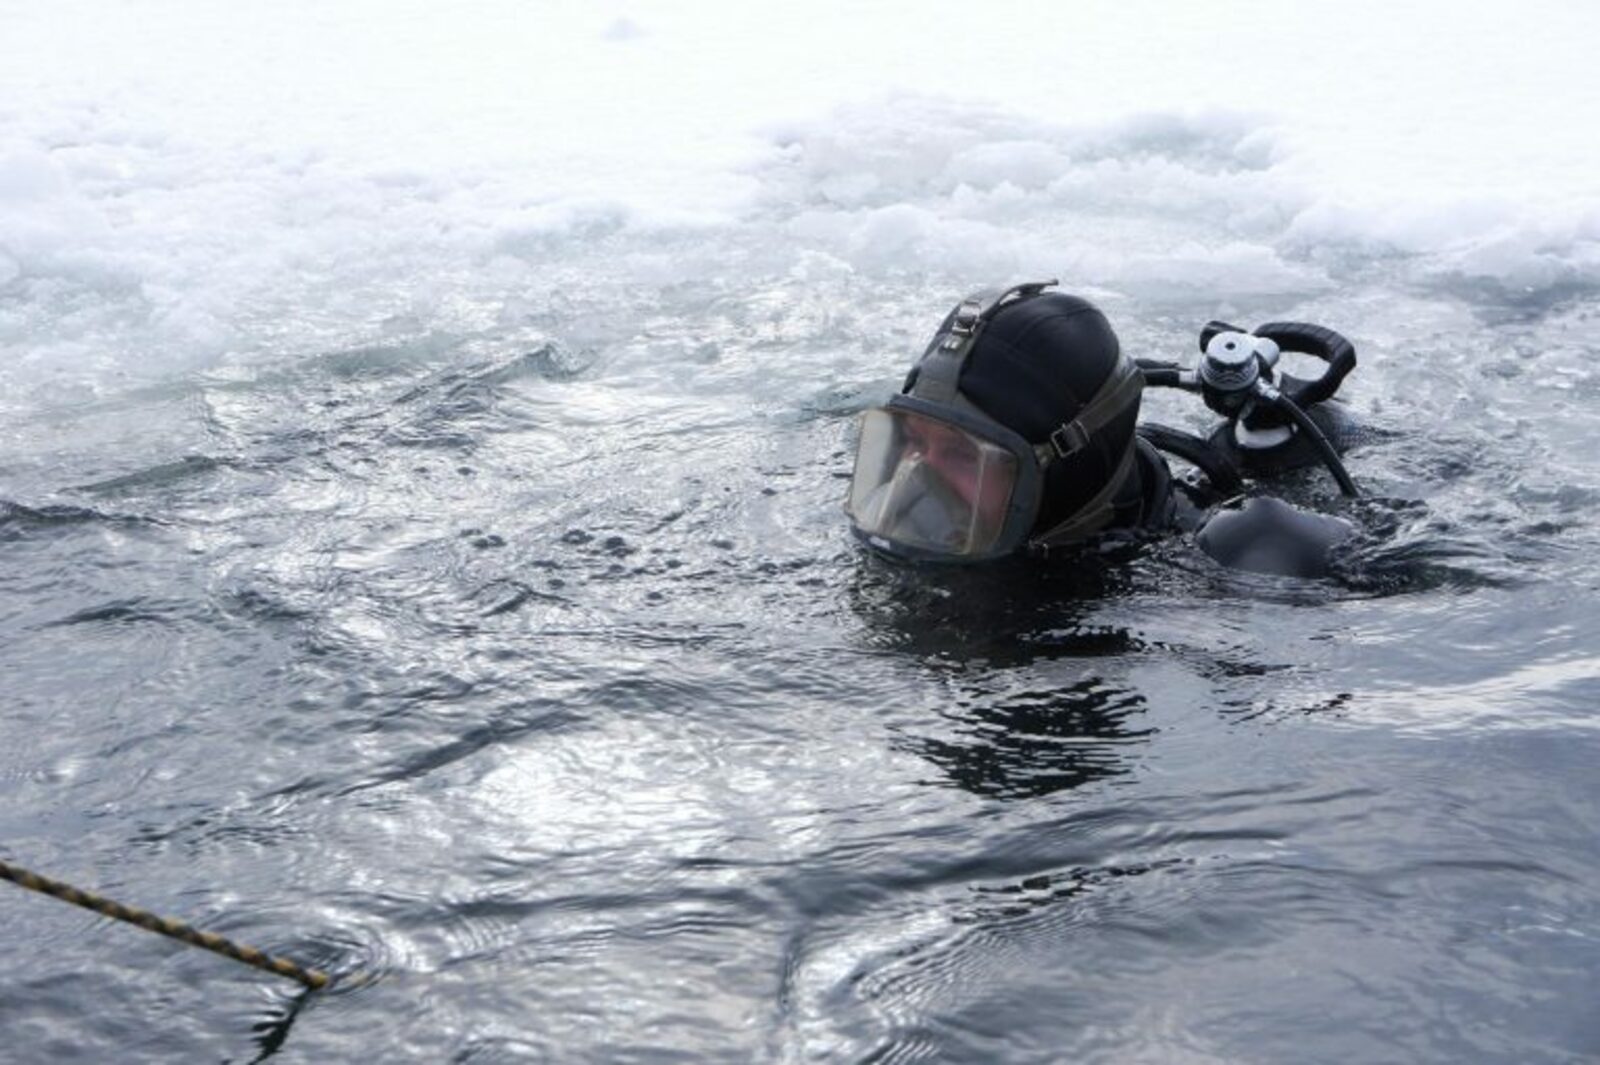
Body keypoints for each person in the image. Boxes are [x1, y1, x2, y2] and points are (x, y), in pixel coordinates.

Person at [844, 281, 1358, 578]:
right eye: (913, 439)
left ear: (1057, 474)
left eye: (963, 455)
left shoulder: (1218, 560)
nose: (917, 476)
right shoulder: (902, 520)